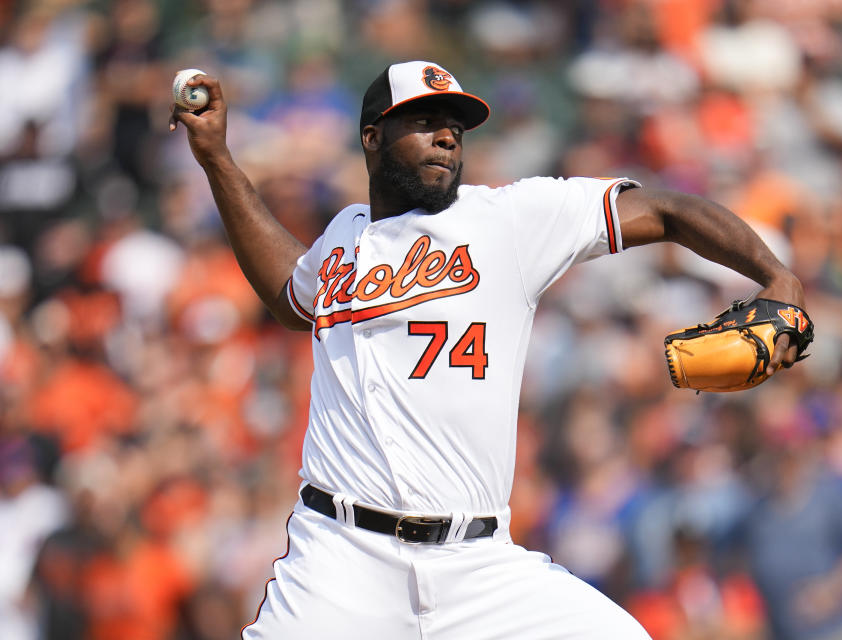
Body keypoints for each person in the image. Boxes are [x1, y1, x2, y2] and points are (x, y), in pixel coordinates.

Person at [170, 60, 806, 639]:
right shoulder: (342, 237)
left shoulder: (508, 219)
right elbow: (289, 296)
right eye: (425, 122)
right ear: (371, 139)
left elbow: (665, 209)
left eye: (456, 126)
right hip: (341, 558)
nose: (448, 136)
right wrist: (216, 157)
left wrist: (779, 277)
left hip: (476, 564)